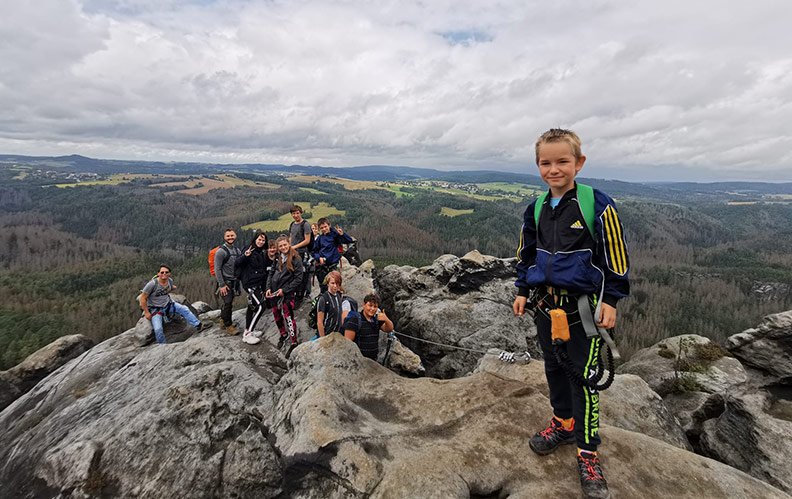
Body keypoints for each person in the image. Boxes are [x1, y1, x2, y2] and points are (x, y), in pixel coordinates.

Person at [513, 128, 630, 499]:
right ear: (538, 166)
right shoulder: (536, 207)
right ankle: (562, 423)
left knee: (586, 378)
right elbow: (526, 252)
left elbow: (615, 253)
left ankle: (587, 450)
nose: (554, 169)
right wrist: (522, 289)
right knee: (554, 368)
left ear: (579, 163)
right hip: (546, 307)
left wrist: (610, 299)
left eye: (562, 161)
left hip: (583, 312)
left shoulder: (596, 203)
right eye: (546, 162)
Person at [139, 265, 207, 344]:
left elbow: (168, 288)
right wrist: (147, 312)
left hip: (169, 305)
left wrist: (173, 288)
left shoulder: (169, 281)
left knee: (184, 309)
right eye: (162, 272)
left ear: (169, 274)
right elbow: (142, 298)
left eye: (166, 272)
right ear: (158, 273)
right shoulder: (152, 284)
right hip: (156, 309)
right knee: (158, 329)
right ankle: (162, 346)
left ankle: (198, 325)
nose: (164, 274)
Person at [266, 235, 303, 356]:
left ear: (289, 244)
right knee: (276, 313)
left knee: (288, 315)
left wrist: (285, 290)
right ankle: (283, 334)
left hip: (288, 292)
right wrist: (268, 288)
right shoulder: (277, 257)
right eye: (280, 246)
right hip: (275, 291)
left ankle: (294, 342)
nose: (283, 247)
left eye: (285, 245)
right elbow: (271, 273)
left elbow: (299, 278)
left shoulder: (296, 258)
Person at [235, 230, 272, 345]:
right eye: (259, 239)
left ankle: (249, 329)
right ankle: (247, 334)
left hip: (257, 283)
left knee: (251, 307)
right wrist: (245, 256)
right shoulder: (249, 249)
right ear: (255, 239)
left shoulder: (261, 251)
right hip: (250, 283)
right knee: (261, 306)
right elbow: (237, 262)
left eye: (263, 240)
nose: (261, 242)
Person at [343, 293, 393, 360]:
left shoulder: (376, 320)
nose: (372, 309)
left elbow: (389, 329)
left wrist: (386, 319)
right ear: (364, 305)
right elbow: (347, 342)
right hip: (359, 360)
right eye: (370, 305)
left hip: (373, 361)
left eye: (375, 307)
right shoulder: (355, 319)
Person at [313, 217, 354, 293]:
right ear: (319, 229)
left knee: (335, 286)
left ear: (329, 225)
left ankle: (337, 300)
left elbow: (349, 240)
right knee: (324, 287)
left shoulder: (335, 235)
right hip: (323, 266)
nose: (324, 229)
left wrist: (342, 234)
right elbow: (314, 251)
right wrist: (319, 258)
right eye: (322, 228)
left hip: (333, 265)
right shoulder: (320, 239)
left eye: (325, 227)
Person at [214, 228, 242, 335]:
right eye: (228, 236)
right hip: (225, 282)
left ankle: (222, 320)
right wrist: (221, 285)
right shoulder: (221, 251)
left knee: (228, 303)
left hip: (234, 282)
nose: (230, 237)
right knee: (228, 303)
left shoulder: (237, 250)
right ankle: (228, 325)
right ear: (224, 237)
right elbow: (217, 269)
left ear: (235, 236)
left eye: (232, 235)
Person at [289, 205, 314, 306]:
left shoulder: (305, 224)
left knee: (302, 275)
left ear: (301, 213)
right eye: (293, 213)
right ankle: (294, 295)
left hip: (302, 253)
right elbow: (291, 237)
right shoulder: (292, 224)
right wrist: (290, 248)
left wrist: (294, 247)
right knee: (293, 274)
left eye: (297, 213)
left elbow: (307, 240)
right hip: (293, 253)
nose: (295, 215)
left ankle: (300, 297)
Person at [316, 271, 345, 338]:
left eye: (337, 283)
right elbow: (319, 321)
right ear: (328, 283)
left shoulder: (338, 295)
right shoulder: (323, 299)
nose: (335, 286)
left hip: (337, 334)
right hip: (326, 334)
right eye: (332, 283)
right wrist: (322, 338)